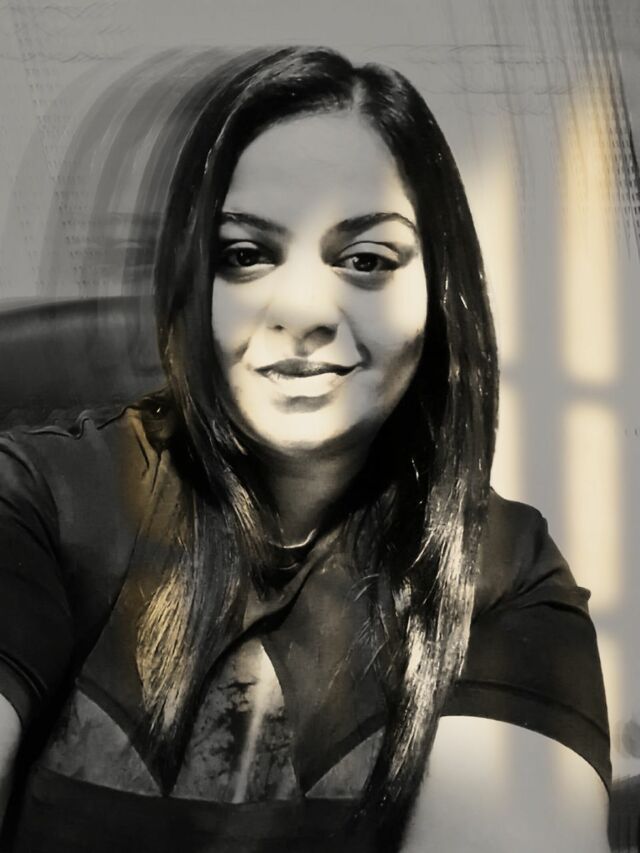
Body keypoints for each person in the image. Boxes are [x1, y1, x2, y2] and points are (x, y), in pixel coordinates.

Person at [0, 47, 611, 852]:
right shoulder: (42, 500)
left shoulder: (499, 573)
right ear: (191, 285)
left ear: (439, 294)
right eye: (245, 255)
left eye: (367, 261)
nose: (303, 310)